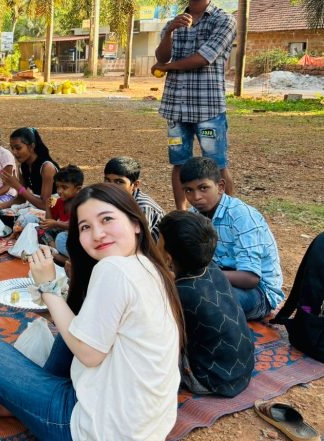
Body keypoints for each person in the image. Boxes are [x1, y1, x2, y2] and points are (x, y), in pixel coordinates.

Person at [0, 184, 184, 441]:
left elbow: (88, 354)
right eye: (85, 227)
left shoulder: (114, 269)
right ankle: (26, 401)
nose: (98, 234)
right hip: (148, 424)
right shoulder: (151, 265)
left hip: (96, 428)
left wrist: (47, 286)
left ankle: (23, 405)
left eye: (107, 219)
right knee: (75, 325)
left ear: (136, 223)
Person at [152, 0, 237, 210]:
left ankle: (227, 214)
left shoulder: (223, 20)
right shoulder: (174, 22)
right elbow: (161, 56)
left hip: (207, 109)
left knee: (217, 166)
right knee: (179, 163)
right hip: (176, 110)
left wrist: (166, 69)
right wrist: (169, 33)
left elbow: (204, 58)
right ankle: (181, 213)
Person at [158, 211, 254, 397]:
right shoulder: (212, 268)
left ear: (169, 259)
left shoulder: (179, 294)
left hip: (211, 380)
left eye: (158, 243)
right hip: (241, 372)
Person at [180, 157, 284, 320]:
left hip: (259, 292)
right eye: (188, 190)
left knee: (203, 301)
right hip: (219, 278)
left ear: (220, 186)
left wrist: (203, 276)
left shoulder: (241, 216)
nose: (196, 197)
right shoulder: (194, 215)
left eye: (203, 188)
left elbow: (251, 278)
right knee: (176, 292)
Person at [0, 127, 59, 213]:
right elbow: (21, 199)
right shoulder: (22, 167)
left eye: (18, 148)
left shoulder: (47, 167)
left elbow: (45, 205)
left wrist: (18, 186)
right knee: (2, 213)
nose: (14, 152)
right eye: (12, 148)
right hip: (36, 205)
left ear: (31, 147)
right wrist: (0, 206)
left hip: (54, 208)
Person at [103, 156, 165, 241]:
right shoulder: (108, 198)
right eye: (107, 180)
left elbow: (139, 242)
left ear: (135, 185)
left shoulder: (142, 207)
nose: (111, 186)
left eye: (119, 182)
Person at [46, 165, 84, 260]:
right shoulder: (59, 202)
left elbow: (77, 226)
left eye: (64, 188)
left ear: (78, 189)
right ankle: (54, 250)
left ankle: (62, 258)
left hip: (75, 237)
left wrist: (56, 223)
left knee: (61, 238)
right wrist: (47, 206)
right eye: (58, 187)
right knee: (39, 228)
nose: (59, 191)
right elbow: (49, 221)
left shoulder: (81, 205)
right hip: (60, 234)